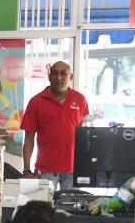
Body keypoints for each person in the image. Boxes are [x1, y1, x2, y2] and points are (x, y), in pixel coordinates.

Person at [20, 61, 89, 190]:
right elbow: (29, 138)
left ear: (71, 77)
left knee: (71, 209)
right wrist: (26, 170)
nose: (59, 77)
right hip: (45, 170)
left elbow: (85, 136)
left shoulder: (80, 100)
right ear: (49, 77)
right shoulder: (36, 102)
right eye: (54, 74)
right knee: (43, 209)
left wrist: (86, 166)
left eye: (63, 74)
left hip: (73, 169)